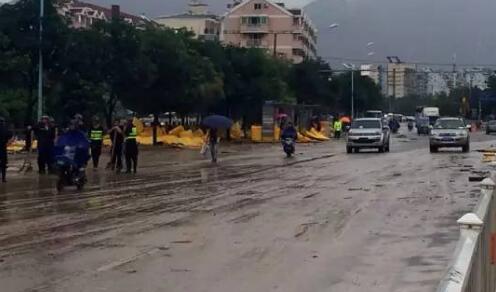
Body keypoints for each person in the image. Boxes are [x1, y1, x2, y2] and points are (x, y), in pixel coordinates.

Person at [0, 117, 13, 182]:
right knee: (3, 164)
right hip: (3, 148)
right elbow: (10, 135)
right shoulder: (5, 128)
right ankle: (3, 178)